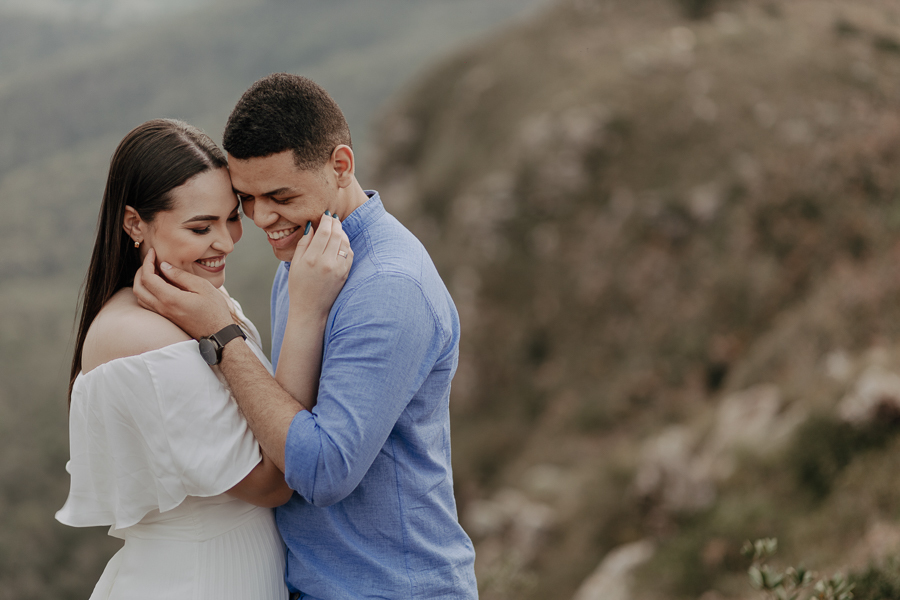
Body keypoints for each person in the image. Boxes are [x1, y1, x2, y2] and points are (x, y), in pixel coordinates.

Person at [134, 74, 478, 599]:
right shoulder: (307, 254)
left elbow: (321, 472)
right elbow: (288, 414)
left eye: (280, 195)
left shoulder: (389, 289)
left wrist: (221, 335)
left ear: (340, 166)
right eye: (246, 199)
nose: (263, 219)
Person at [56, 118, 352, 600]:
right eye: (201, 227)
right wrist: (306, 312)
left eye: (230, 217)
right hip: (198, 580)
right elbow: (274, 482)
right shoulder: (139, 337)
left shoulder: (191, 300)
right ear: (135, 223)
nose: (227, 241)